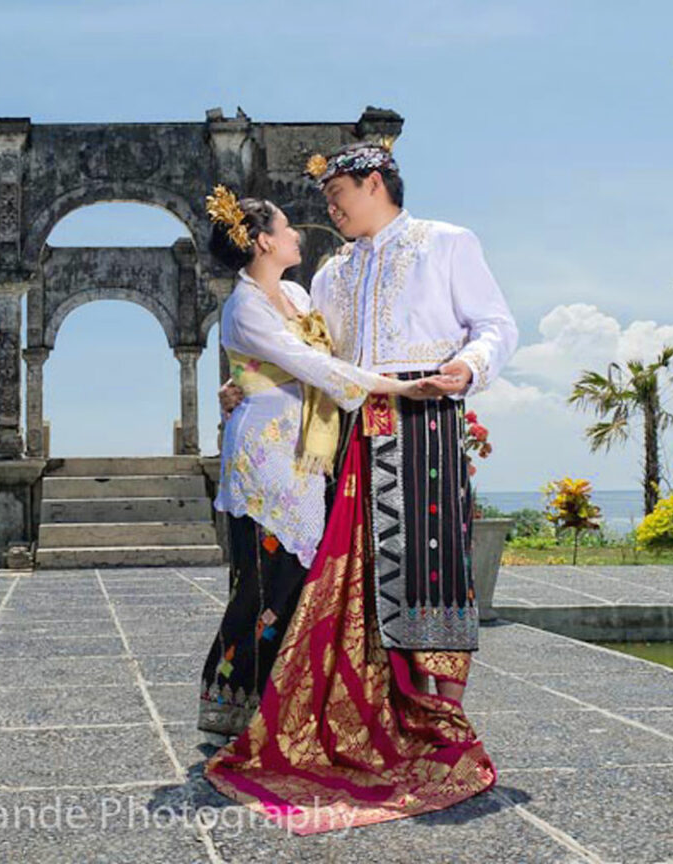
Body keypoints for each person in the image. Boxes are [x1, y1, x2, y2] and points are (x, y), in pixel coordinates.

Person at [203, 140, 517, 834]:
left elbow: (497, 326)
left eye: (337, 196)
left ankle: (441, 712)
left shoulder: (445, 243)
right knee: (356, 581)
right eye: (320, 204)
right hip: (349, 433)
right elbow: (310, 356)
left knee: (433, 570)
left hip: (425, 420)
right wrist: (244, 383)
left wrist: (466, 369)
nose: (330, 211)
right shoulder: (331, 274)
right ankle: (369, 707)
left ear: (374, 182)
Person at [196, 185, 418, 745]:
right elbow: (313, 366)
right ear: (265, 242)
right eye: (288, 227)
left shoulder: (294, 294)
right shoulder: (244, 306)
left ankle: (278, 700)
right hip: (264, 459)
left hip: (305, 451)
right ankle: (229, 699)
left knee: (293, 581)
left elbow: (331, 355)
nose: (297, 234)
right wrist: (401, 388)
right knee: (261, 583)